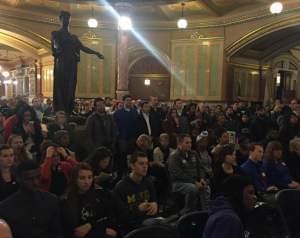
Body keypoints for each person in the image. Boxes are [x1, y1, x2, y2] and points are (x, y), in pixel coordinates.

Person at [51, 11, 104, 113]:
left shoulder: (73, 37)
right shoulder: (55, 33)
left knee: (70, 87)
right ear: (60, 20)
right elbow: (55, 46)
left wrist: (96, 52)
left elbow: (83, 48)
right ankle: (60, 110)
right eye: (64, 18)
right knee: (61, 86)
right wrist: (58, 48)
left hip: (71, 64)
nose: (66, 20)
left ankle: (68, 110)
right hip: (61, 64)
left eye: (68, 18)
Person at [0, 160, 64, 238]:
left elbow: (58, 233)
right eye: (29, 179)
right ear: (18, 179)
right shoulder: (5, 208)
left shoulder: (52, 201)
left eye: (38, 177)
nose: (36, 182)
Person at [62, 162, 123, 238]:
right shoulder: (66, 201)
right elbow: (73, 231)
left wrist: (91, 225)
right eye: (82, 178)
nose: (87, 182)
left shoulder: (101, 193)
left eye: (89, 177)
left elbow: (110, 217)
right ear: (75, 179)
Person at [114, 151, 158, 232]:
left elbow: (153, 200)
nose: (145, 166)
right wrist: (138, 209)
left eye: (146, 163)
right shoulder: (121, 187)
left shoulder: (148, 182)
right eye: (141, 164)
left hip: (149, 219)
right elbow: (120, 215)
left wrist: (154, 204)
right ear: (132, 166)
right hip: (132, 225)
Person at [168, 134, 210, 213]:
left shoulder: (193, 153)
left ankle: (205, 212)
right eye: (187, 143)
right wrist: (194, 182)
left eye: (190, 142)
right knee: (193, 188)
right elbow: (178, 174)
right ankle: (188, 212)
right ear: (179, 144)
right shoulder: (174, 156)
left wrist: (202, 179)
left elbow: (200, 168)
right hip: (178, 183)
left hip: (195, 181)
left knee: (206, 187)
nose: (190, 145)